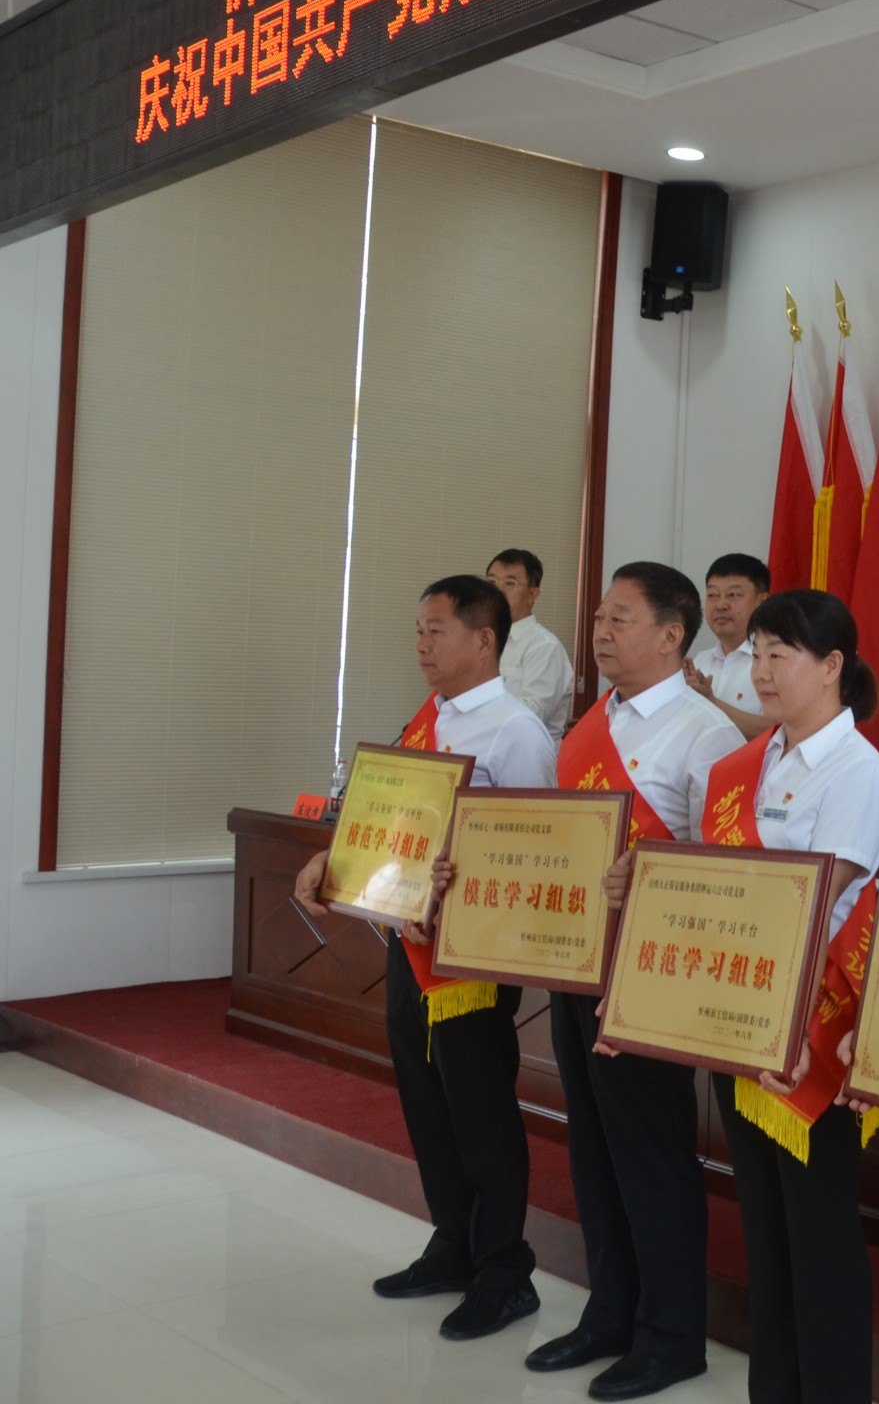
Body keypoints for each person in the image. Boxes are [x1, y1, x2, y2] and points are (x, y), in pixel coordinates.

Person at [291, 575, 555, 1342]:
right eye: (418, 630)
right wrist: (331, 860)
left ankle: (505, 1269)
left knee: (480, 1111)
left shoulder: (516, 733)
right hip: (408, 948)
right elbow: (385, 819)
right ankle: (452, 1242)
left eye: (436, 630)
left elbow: (537, 854)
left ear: (484, 639)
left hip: (470, 962)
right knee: (428, 1106)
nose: (421, 645)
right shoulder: (426, 719)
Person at [530, 562, 741, 1401]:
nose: (602, 632)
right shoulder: (595, 722)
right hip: (578, 963)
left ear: (671, 635)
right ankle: (609, 1312)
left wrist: (649, 872)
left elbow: (722, 873)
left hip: (650, 977)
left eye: (620, 618)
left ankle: (672, 1336)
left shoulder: (706, 734)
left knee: (652, 1158)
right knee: (593, 1148)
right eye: (598, 618)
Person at [703, 590, 879, 1404]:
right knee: (767, 1238)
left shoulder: (857, 770)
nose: (762, 670)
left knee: (818, 1243)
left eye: (780, 654)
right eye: (756, 653)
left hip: (813, 1034)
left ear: (831, 666)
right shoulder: (752, 763)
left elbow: (818, 908)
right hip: (743, 1020)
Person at [488, 548, 576, 737]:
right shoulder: (482, 640)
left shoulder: (544, 647)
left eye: (510, 583)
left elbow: (531, 716)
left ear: (532, 595)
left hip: (523, 752)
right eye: (492, 582)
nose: (497, 591)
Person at [685, 553, 770, 739]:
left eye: (733, 595)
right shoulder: (701, 660)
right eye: (713, 595)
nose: (721, 605)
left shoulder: (776, 661)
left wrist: (711, 703)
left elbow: (780, 731)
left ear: (762, 602)